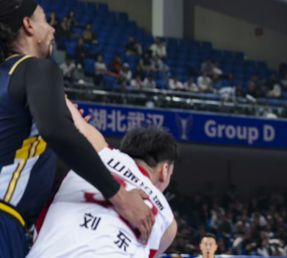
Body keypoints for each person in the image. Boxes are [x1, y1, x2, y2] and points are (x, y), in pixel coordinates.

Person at [0, 0, 153, 257]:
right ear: (28, 25)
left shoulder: (8, 80)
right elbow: (56, 131)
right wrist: (120, 196)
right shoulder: (37, 68)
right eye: (45, 20)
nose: (52, 29)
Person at [28, 102, 178, 257]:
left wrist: (73, 113)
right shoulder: (168, 221)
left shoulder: (98, 149)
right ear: (165, 170)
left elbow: (56, 100)